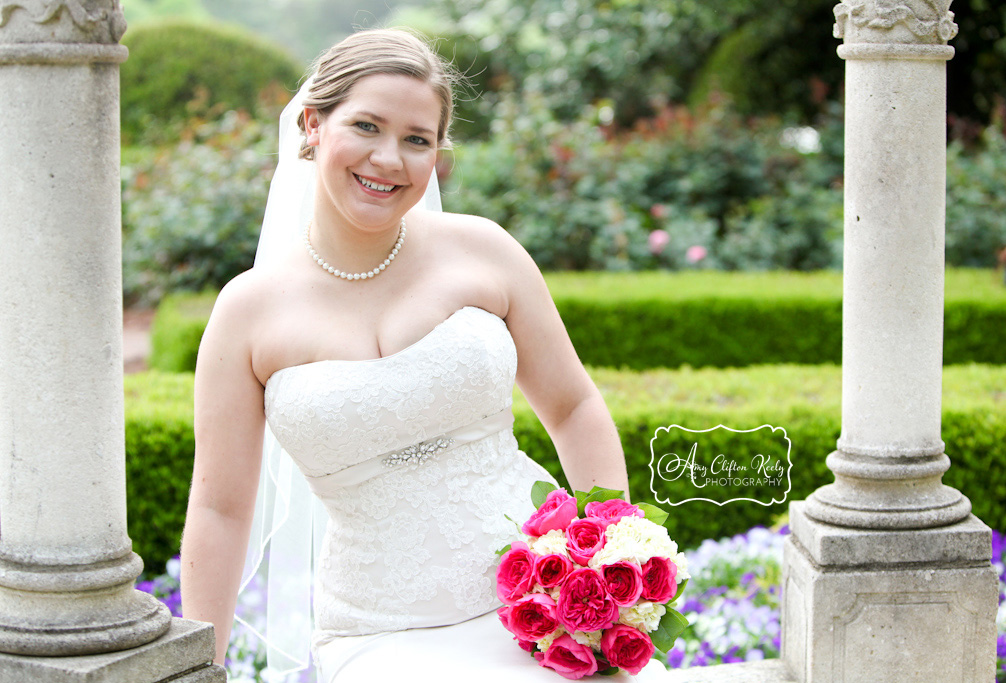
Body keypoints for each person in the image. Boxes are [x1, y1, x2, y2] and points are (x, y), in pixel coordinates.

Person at [180, 28, 667, 682]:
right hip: (378, 630)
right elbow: (220, 508)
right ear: (311, 124)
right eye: (366, 126)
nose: (389, 159)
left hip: (541, 607)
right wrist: (198, 670)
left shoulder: (483, 250)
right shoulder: (248, 313)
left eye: (417, 139)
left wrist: (611, 565)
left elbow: (574, 405)